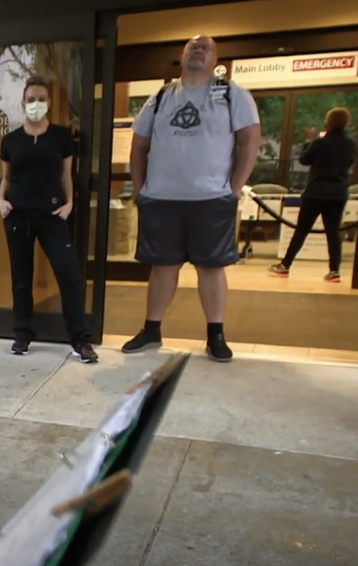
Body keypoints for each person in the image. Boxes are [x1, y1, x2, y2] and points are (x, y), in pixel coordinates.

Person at [122, 34, 261, 362]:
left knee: (211, 267)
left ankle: (215, 334)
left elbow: (250, 140)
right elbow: (139, 146)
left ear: (216, 59)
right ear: (182, 57)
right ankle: (151, 330)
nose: (198, 50)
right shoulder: (159, 97)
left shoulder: (232, 95)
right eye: (192, 47)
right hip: (162, 199)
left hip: (211, 199)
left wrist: (236, 186)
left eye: (206, 47)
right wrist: (141, 188)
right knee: (163, 267)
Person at [0, 75, 99, 363]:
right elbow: (6, 177)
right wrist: (1, 200)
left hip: (53, 215)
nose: (36, 104)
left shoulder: (61, 137)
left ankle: (81, 340)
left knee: (69, 276)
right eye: (31, 100)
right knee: (21, 278)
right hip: (18, 215)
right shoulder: (11, 141)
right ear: (23, 103)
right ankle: (22, 333)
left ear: (49, 102)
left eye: (41, 99)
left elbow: (67, 175)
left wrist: (69, 204)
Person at [269, 106, 356, 283]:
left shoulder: (320, 143)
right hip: (338, 193)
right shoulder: (352, 144)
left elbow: (304, 160)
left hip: (316, 192)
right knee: (333, 233)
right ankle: (334, 271)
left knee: (302, 230)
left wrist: (309, 142)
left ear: (328, 121)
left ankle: (285, 265)